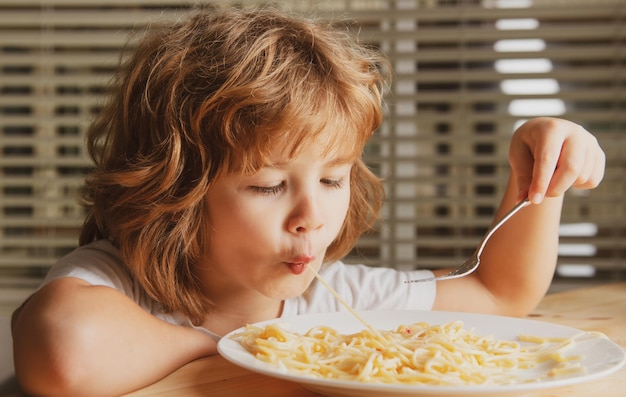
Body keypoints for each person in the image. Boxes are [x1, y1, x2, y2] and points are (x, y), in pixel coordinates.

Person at [11, 6, 605, 397]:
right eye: (269, 186)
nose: (312, 217)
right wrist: (234, 343)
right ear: (175, 193)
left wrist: (541, 182)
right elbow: (64, 353)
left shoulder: (334, 300)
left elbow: (499, 293)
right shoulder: (118, 279)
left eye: (332, 179)